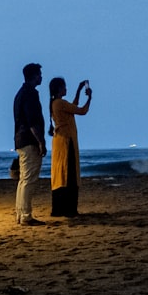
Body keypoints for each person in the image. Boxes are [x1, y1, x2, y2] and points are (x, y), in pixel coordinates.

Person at [48, 77, 92, 217]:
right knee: (69, 174)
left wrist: (78, 91)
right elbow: (81, 111)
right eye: (64, 87)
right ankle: (69, 209)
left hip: (61, 142)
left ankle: (60, 208)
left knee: (61, 175)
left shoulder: (56, 103)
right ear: (59, 88)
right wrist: (89, 98)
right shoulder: (60, 103)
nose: (66, 89)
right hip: (67, 142)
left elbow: (72, 108)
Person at [13, 63, 46, 225]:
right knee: (29, 179)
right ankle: (26, 215)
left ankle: (20, 213)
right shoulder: (30, 94)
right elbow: (32, 121)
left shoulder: (21, 93)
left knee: (23, 179)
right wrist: (40, 141)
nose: (41, 77)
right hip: (28, 140)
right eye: (39, 74)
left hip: (20, 139)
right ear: (33, 76)